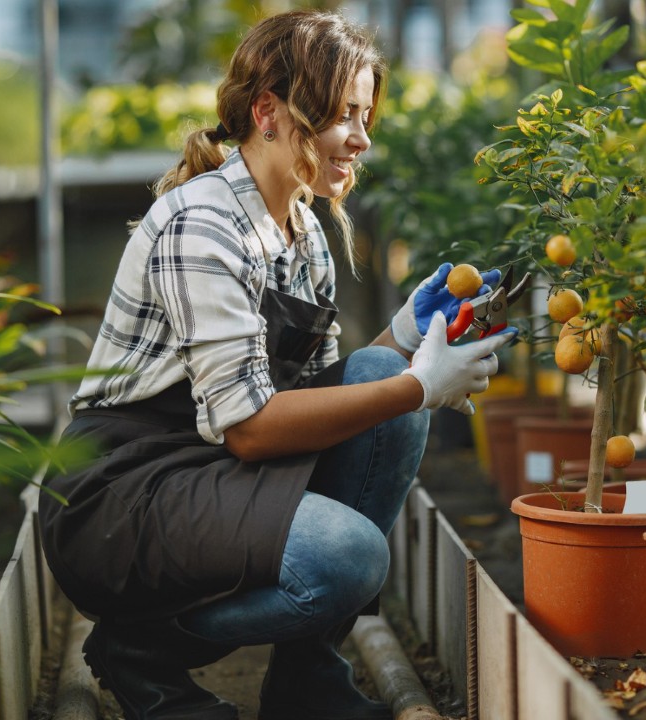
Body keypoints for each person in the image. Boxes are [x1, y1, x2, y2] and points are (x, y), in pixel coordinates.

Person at [38, 10, 514, 720]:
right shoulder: (203, 224)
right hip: (124, 496)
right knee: (348, 555)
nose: (361, 136)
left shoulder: (303, 229)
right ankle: (143, 649)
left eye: (365, 114)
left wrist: (407, 335)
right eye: (341, 114)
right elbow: (253, 431)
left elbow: (323, 399)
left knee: (383, 387)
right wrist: (418, 387)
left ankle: (306, 681)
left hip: (211, 472)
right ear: (268, 113)